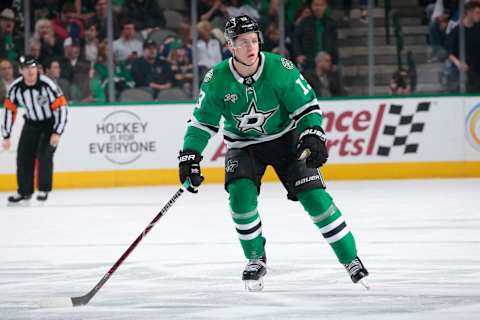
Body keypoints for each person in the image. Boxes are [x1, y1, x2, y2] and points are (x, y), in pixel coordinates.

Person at [177, 15, 368, 291]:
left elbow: (306, 108)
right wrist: (190, 154)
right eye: (243, 42)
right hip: (243, 145)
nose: (251, 47)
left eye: (254, 40)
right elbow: (201, 122)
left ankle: (350, 258)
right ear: (230, 46)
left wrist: (312, 133)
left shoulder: (280, 68)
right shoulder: (216, 79)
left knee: (314, 197)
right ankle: (255, 258)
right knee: (241, 198)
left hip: (286, 139)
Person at [1, 55, 68, 204]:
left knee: (44, 155)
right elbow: (8, 111)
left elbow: (62, 107)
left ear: (37, 69)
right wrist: (6, 135)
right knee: (23, 157)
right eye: (26, 68)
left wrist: (57, 131)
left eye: (32, 68)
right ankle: (24, 192)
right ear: (21, 71)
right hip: (31, 123)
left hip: (49, 124)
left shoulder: (48, 85)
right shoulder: (15, 88)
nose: (30, 71)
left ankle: (44, 189)